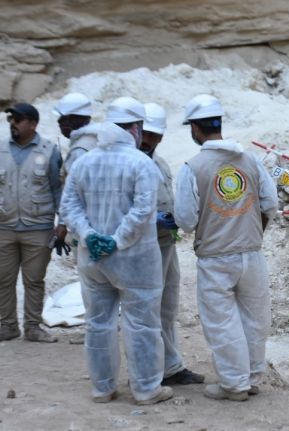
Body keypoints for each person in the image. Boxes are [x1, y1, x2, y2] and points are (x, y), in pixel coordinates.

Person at [60, 96, 173, 405]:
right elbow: (142, 212)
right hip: (135, 260)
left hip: (92, 259)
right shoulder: (141, 163)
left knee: (98, 323)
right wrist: (117, 240)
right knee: (142, 324)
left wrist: (89, 235)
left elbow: (68, 206)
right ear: (136, 128)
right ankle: (147, 388)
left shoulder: (84, 162)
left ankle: (102, 388)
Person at [174, 94, 278, 401]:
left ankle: (234, 384)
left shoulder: (192, 167)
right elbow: (270, 203)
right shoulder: (250, 160)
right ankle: (252, 377)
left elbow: (186, 220)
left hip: (215, 258)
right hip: (252, 253)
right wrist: (252, 231)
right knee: (254, 318)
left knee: (222, 322)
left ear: (195, 128)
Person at [140, 102, 204, 386]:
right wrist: (151, 220)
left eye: (152, 135)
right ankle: (147, 373)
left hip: (165, 243)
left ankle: (171, 367)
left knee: (167, 307)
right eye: (144, 133)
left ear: (160, 137)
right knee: (144, 311)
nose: (147, 139)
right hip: (139, 248)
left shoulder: (160, 163)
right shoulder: (127, 163)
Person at [0, 103, 64, 343]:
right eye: (11, 120)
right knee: (3, 279)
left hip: (38, 227)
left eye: (18, 119)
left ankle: (33, 327)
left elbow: (58, 190)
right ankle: (7, 326)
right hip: (3, 227)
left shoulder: (49, 151)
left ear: (33, 124)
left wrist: (63, 222)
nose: (13, 124)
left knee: (34, 280)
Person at [54, 92, 99, 182]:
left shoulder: (80, 150)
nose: (59, 122)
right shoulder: (98, 138)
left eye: (63, 119)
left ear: (77, 119)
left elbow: (77, 188)